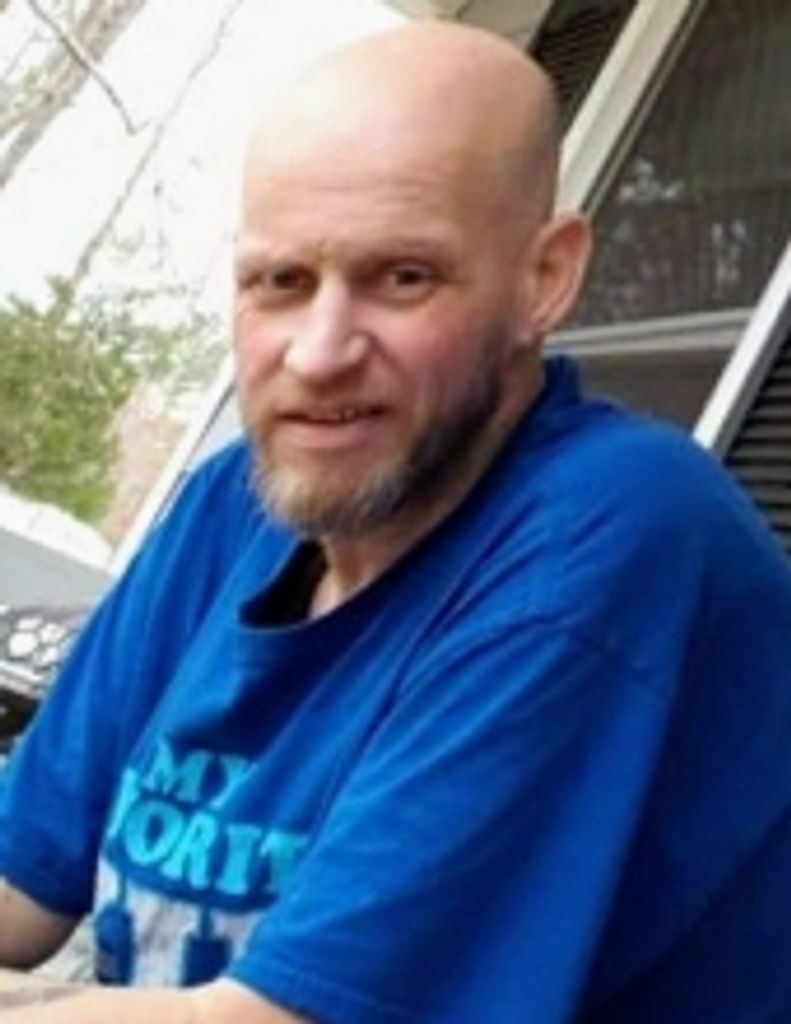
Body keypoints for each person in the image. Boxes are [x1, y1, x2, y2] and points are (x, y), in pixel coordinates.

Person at [0, 20, 790, 1024]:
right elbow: (21, 883)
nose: (319, 353)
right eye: (281, 282)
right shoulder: (229, 506)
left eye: (402, 278)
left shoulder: (614, 533)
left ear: (543, 279)